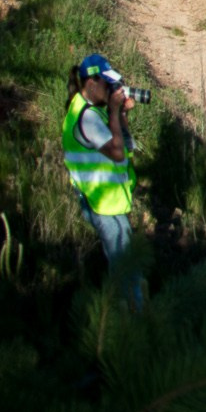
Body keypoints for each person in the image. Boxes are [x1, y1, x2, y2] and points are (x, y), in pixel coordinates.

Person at [64, 53, 145, 306]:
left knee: (125, 263)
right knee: (124, 270)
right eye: (107, 84)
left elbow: (121, 141)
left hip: (109, 201)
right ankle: (130, 317)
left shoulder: (90, 108)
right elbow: (117, 152)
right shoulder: (87, 118)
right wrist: (113, 109)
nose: (112, 89)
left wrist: (119, 113)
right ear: (91, 84)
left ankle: (129, 311)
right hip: (101, 203)